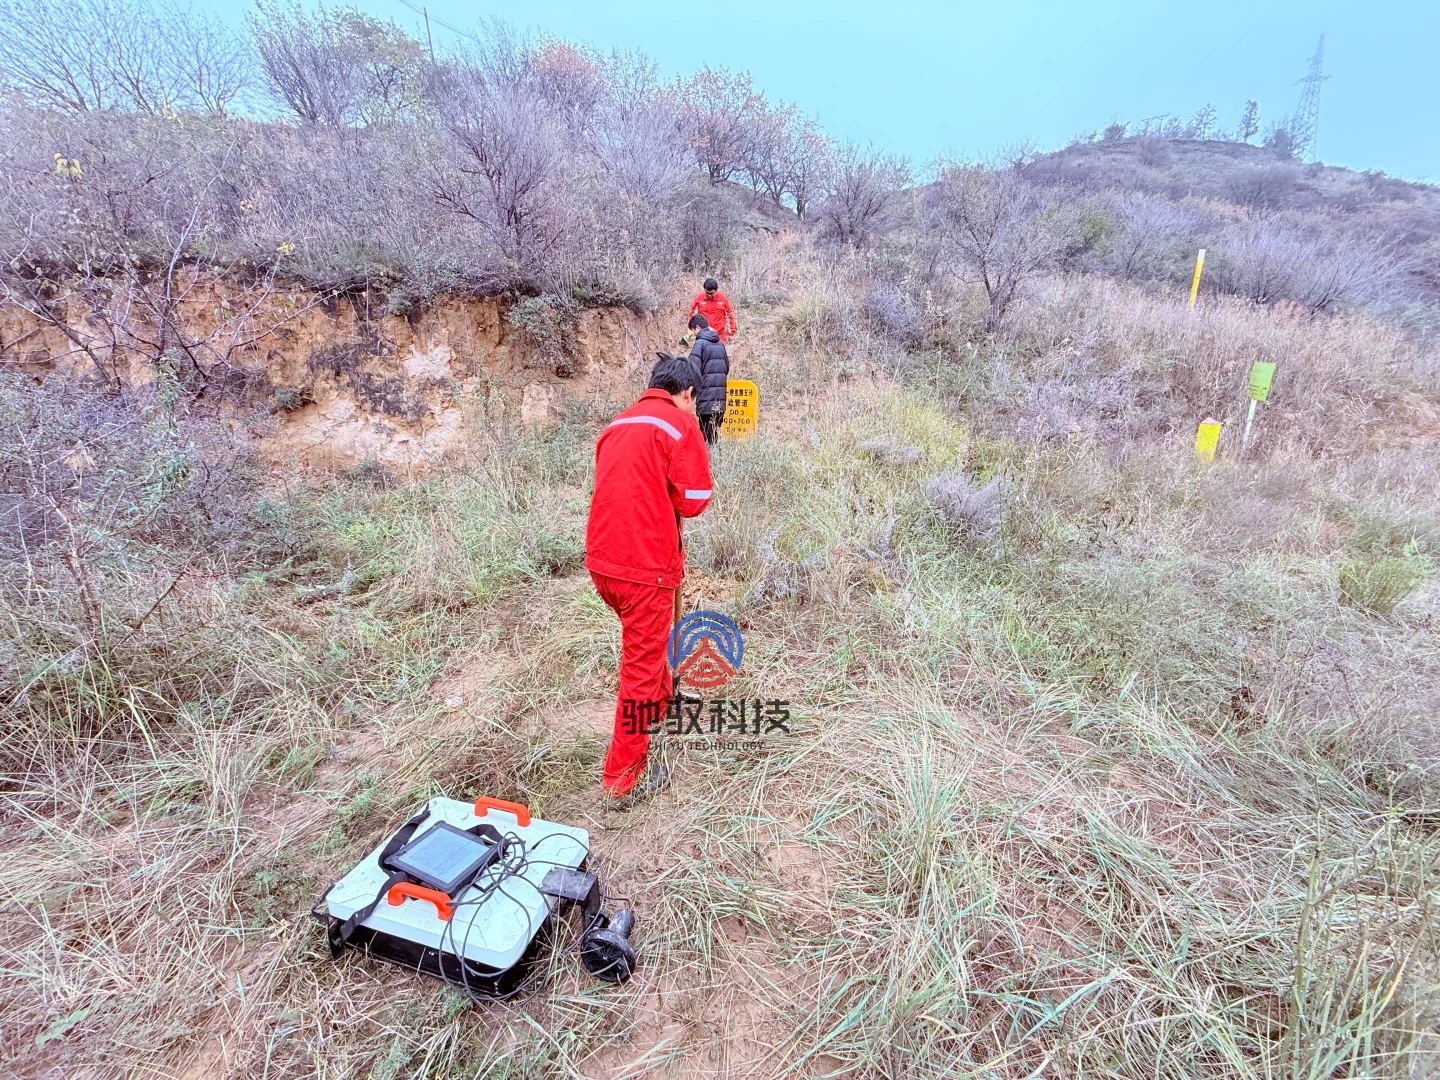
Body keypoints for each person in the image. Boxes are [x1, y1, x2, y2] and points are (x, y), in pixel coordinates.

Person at [585, 353, 713, 804]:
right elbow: (695, 499)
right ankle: (623, 779)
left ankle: (659, 706)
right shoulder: (680, 425)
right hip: (645, 569)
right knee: (639, 668)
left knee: (648, 645)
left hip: (603, 562)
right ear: (688, 393)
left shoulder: (617, 423)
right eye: (695, 402)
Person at [687, 314, 729, 446]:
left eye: (693, 330)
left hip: (706, 398)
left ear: (698, 327)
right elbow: (726, 367)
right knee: (714, 434)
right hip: (720, 399)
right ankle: (716, 461)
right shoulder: (719, 343)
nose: (693, 334)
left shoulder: (700, 344)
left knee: (704, 436)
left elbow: (692, 370)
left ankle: (708, 464)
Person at [688, 277, 736, 344]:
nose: (709, 295)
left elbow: (730, 315)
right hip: (703, 335)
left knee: (718, 353)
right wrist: (690, 330)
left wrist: (731, 333)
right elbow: (692, 315)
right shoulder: (699, 298)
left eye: (712, 293)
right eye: (707, 293)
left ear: (716, 290)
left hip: (719, 335)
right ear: (704, 290)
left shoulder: (723, 299)